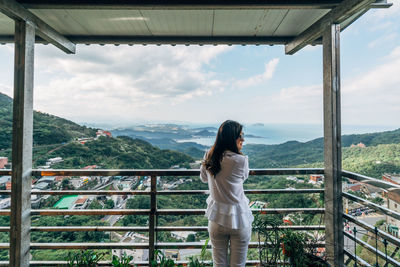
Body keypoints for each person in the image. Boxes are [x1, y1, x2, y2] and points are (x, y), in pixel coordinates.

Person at [200, 120, 253, 267]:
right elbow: (244, 177)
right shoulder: (241, 161)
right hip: (239, 219)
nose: (242, 139)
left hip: (217, 218)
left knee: (219, 264)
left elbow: (204, 178)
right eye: (240, 135)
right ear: (233, 138)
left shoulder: (209, 156)